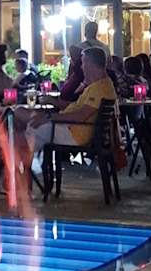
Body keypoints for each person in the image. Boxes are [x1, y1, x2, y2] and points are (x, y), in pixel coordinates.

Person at [23, 44, 116, 177]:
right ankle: (22, 168)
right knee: (31, 122)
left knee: (32, 126)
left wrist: (50, 117)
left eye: (83, 63)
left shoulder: (99, 88)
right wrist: (54, 105)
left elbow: (80, 116)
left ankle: (21, 171)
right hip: (72, 129)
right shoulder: (101, 84)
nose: (81, 67)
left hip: (74, 134)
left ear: (90, 64)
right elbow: (78, 108)